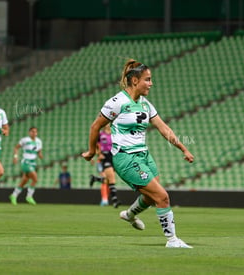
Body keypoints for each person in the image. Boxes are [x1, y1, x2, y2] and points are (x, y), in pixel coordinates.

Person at [82, 59, 194, 248]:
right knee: (162, 197)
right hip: (125, 157)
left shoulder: (145, 105)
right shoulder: (117, 102)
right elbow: (95, 126)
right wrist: (92, 151)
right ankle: (172, 240)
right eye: (147, 80)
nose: (151, 83)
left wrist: (183, 148)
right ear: (135, 81)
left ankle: (129, 214)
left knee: (152, 196)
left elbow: (164, 129)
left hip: (144, 156)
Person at [9, 126, 43, 205]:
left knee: (24, 181)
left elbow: (39, 151)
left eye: (35, 132)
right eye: (32, 131)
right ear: (29, 132)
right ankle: (29, 196)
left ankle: (13, 195)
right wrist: (15, 157)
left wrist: (40, 155)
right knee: (35, 179)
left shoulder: (39, 141)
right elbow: (16, 148)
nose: (34, 133)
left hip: (33, 162)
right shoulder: (25, 140)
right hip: (26, 162)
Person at [89, 124, 121, 207]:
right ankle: (114, 200)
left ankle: (95, 178)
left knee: (108, 180)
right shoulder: (100, 134)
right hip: (105, 157)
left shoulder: (114, 134)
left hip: (113, 157)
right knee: (112, 178)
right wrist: (97, 154)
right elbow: (94, 145)